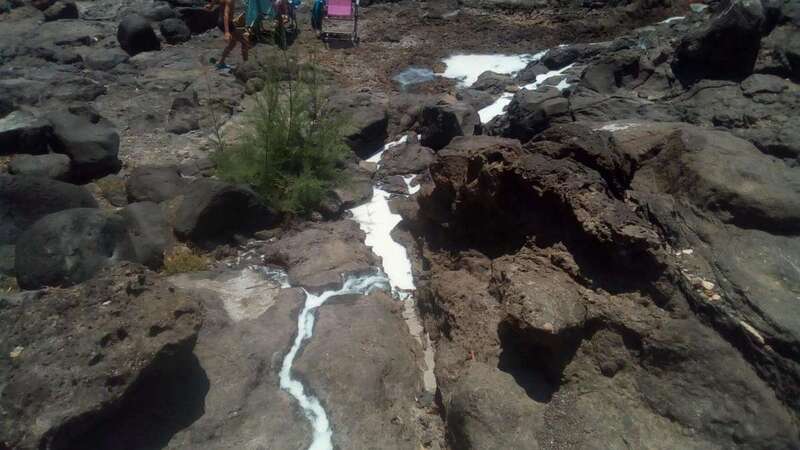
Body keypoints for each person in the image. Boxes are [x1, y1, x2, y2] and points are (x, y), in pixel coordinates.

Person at [206, 0, 249, 70]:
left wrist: (210, 6)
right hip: (226, 23)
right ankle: (246, 65)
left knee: (233, 43)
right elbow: (226, 15)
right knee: (244, 41)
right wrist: (227, 32)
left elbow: (214, 2)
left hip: (224, 22)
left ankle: (221, 63)